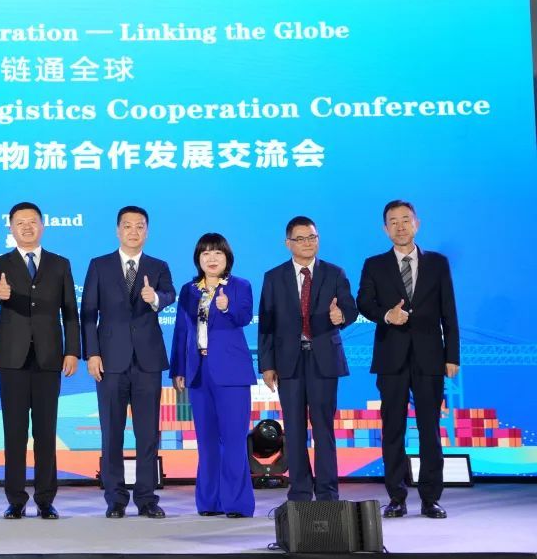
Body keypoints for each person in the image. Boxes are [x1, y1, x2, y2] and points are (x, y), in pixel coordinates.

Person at [357, 200, 459, 519]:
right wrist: (388, 315)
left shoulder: (438, 263)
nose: (400, 226)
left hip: (430, 358)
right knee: (393, 429)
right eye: (393, 221)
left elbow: (449, 311)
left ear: (417, 223)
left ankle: (430, 498)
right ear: (385, 229)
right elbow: (363, 302)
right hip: (391, 357)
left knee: (430, 429)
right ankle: (396, 497)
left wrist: (452, 356)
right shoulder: (374, 265)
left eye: (406, 219)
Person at [0, 202, 79, 520]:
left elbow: (70, 311)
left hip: (49, 357)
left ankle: (45, 499)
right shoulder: (0, 262)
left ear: (42, 226)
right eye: (20, 222)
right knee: (14, 432)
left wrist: (72, 350)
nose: (26, 227)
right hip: (11, 358)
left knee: (45, 432)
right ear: (11, 227)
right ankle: (15, 499)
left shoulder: (60, 263)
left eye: (32, 221)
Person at [81, 206, 175, 519]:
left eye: (140, 226)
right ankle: (116, 499)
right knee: (112, 433)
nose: (133, 232)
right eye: (127, 226)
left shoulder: (158, 266)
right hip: (110, 360)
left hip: (148, 361)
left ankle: (147, 498)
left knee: (148, 434)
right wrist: (92, 353)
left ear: (147, 231)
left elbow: (169, 294)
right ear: (117, 230)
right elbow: (88, 313)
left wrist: (154, 299)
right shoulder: (99, 265)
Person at [257, 216, 358, 503]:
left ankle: (327, 492)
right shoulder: (273, 277)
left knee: (324, 428)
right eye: (300, 239)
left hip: (323, 359)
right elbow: (266, 323)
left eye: (312, 237)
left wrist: (342, 316)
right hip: (288, 360)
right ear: (288, 243)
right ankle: (300, 492)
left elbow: (350, 309)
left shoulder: (334, 273)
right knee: (294, 428)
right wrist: (267, 364)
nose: (307, 243)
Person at [170, 233, 256, 518]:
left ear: (227, 257)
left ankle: (237, 504)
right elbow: (181, 331)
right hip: (198, 371)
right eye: (205, 253)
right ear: (198, 259)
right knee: (206, 441)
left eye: (217, 253)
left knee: (233, 440)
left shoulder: (240, 285)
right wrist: (178, 368)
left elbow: (244, 317)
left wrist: (226, 307)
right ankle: (209, 502)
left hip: (231, 372)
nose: (211, 258)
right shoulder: (189, 290)